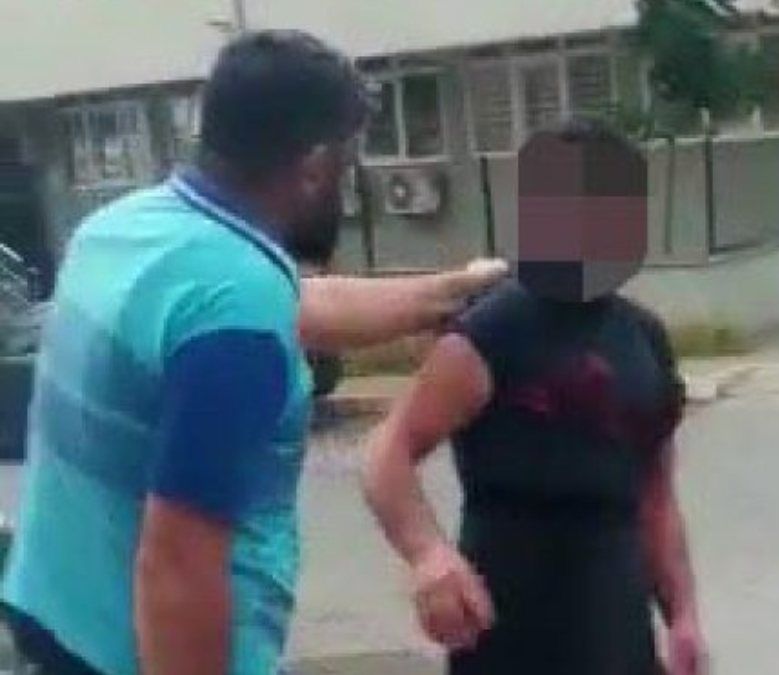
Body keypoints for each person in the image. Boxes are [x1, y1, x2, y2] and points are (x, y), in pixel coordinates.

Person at [1, 31, 503, 675]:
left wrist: (451, 292)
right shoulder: (238, 315)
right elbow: (178, 567)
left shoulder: (125, 229)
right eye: (347, 163)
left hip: (53, 618)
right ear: (315, 166)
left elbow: (299, 304)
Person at [364, 120, 707, 675]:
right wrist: (428, 554)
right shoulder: (495, 332)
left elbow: (655, 496)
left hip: (618, 635)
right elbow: (388, 452)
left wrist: (683, 617)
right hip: (511, 638)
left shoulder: (645, 338)